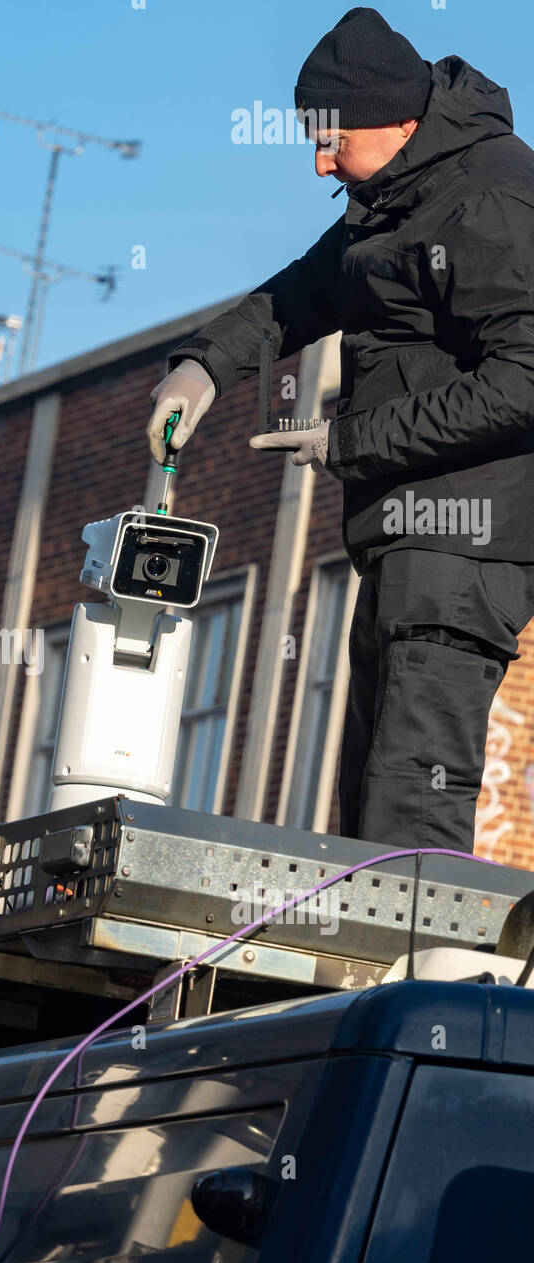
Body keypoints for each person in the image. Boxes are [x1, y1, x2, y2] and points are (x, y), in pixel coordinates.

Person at [146, 6, 534, 853]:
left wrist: (351, 440)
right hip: (403, 540)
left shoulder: (492, 199)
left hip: (463, 546)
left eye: (333, 142)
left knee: (412, 802)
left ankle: (421, 982)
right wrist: (204, 365)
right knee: (366, 803)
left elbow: (526, 380)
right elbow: (301, 292)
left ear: (400, 121)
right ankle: (365, 971)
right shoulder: (395, 192)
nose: (320, 161)